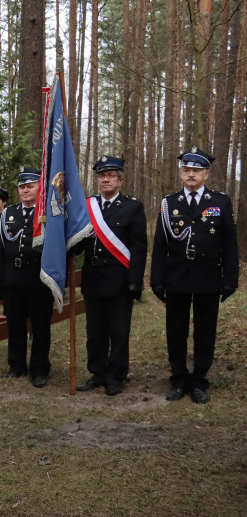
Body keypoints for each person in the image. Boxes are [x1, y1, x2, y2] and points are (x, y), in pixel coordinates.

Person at [151, 148, 238, 404]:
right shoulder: (170, 204)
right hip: (176, 276)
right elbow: (160, 245)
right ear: (181, 173)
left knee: (204, 331)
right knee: (176, 331)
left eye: (196, 171)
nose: (191, 175)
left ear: (206, 174)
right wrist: (157, 279)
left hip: (208, 276)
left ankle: (199, 381)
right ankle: (178, 380)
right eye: (187, 170)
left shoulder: (220, 202)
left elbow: (230, 244)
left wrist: (230, 279)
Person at [76, 157, 147, 396]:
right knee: (95, 332)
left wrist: (135, 280)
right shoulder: (87, 206)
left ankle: (116, 375)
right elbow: (78, 242)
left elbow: (138, 248)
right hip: (93, 277)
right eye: (101, 175)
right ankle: (97, 372)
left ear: (120, 179)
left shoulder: (132, 207)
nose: (105, 179)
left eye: (111, 175)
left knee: (118, 332)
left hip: (119, 279)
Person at [0, 168, 55, 387]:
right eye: (22, 187)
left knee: (40, 326)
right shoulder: (9, 213)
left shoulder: (48, 213)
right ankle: (16, 365)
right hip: (13, 279)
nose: (25, 190)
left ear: (39, 187)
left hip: (39, 279)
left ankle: (39, 368)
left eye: (30, 186)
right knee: (15, 324)